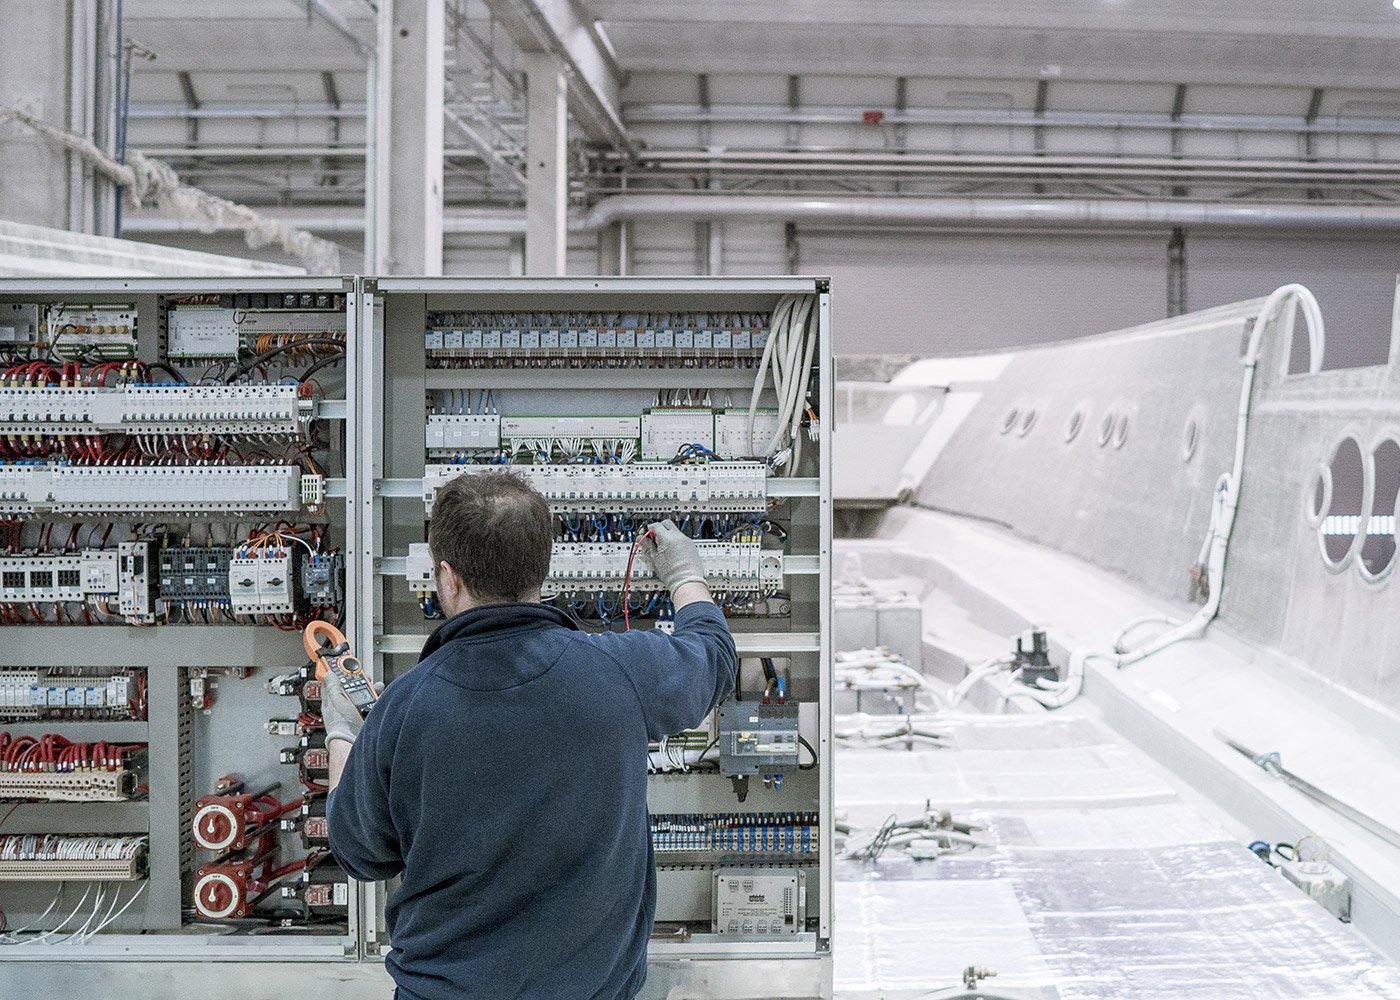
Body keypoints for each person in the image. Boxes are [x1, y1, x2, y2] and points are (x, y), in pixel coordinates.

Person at [322, 470, 737, 1000]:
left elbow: (359, 852)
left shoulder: (404, 707)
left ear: (448, 578)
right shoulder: (622, 672)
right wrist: (684, 574)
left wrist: (344, 732)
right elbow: (715, 656)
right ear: (541, 569)